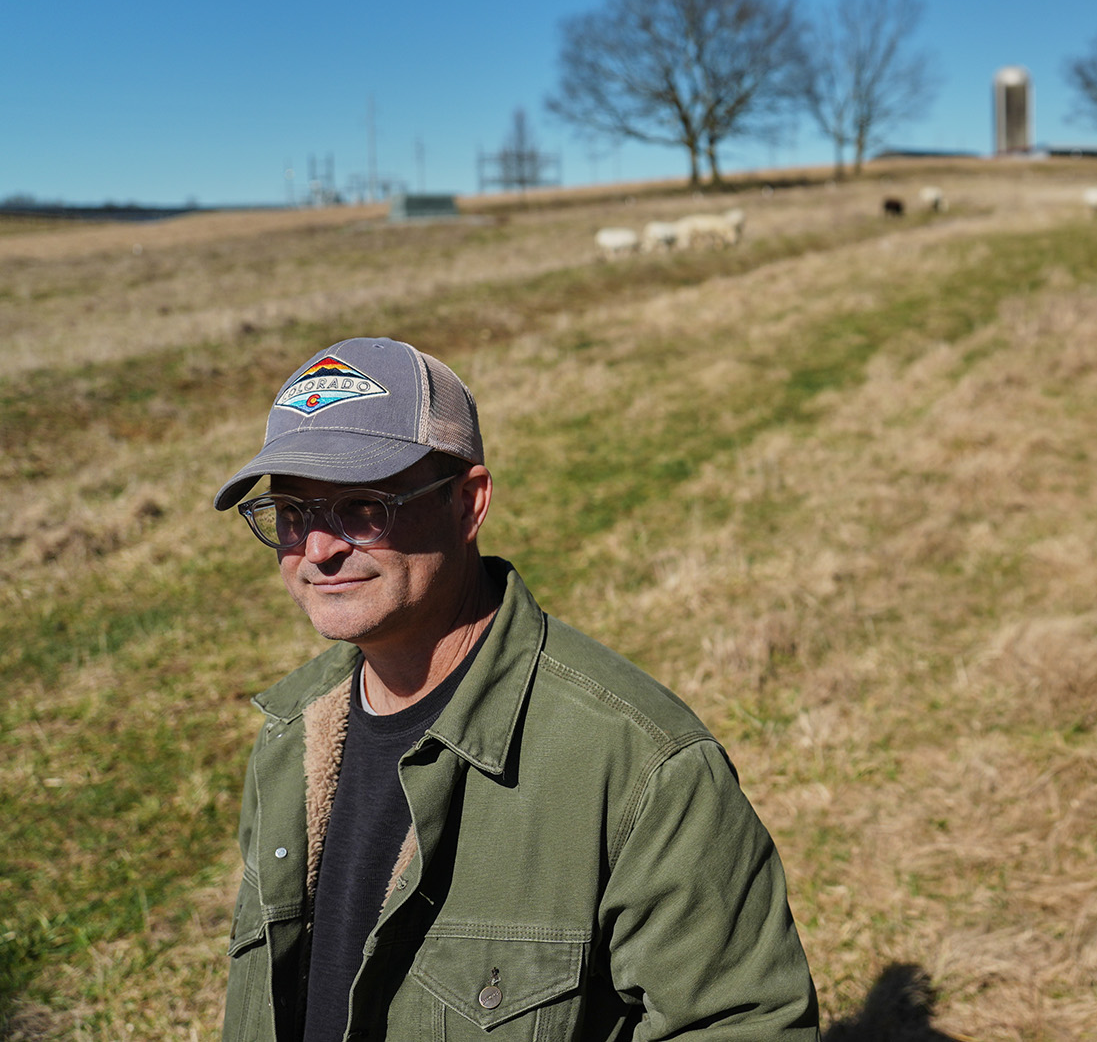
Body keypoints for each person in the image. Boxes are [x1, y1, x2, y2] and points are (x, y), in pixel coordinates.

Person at [213, 336, 818, 1041]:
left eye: (362, 506)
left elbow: (744, 1022)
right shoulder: (288, 734)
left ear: (468, 503)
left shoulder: (638, 766)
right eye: (293, 512)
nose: (318, 548)